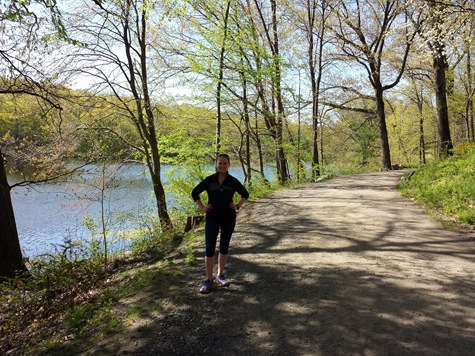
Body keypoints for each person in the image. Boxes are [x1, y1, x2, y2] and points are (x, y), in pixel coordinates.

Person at [191, 154, 249, 294]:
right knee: (210, 248)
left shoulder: (233, 181)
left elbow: (245, 194)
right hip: (212, 218)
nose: (222, 165)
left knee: (224, 247)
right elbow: (194, 193)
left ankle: (220, 275)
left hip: (228, 218)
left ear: (229, 164)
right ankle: (208, 279)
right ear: (216, 164)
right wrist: (203, 207)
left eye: (225, 163)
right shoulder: (210, 180)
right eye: (220, 163)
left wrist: (237, 205)